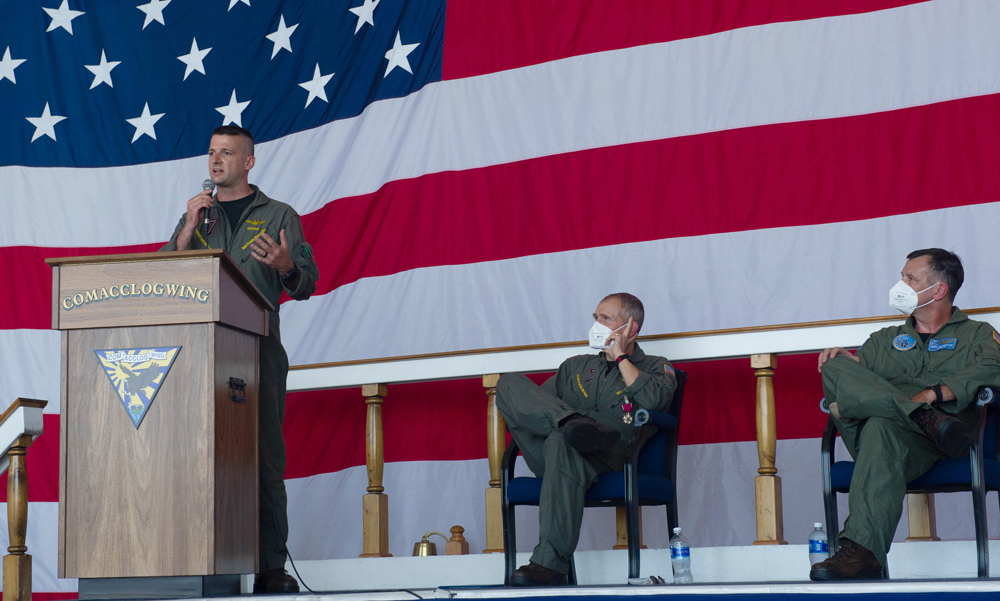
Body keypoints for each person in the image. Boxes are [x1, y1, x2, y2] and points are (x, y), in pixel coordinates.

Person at [160, 125, 319, 594]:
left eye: (226, 153)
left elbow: (306, 283)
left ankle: (271, 566)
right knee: (198, 455)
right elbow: (162, 277)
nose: (215, 160)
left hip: (257, 351)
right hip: (199, 354)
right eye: (212, 152)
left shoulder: (279, 215)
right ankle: (199, 561)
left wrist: (286, 267)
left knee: (264, 457)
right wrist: (186, 231)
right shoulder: (198, 216)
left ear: (248, 162)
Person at [812, 249, 1000, 581]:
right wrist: (853, 371)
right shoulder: (884, 339)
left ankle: (862, 553)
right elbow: (850, 385)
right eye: (902, 277)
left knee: (881, 425)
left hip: (940, 442)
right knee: (835, 364)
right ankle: (918, 416)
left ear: (939, 290)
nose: (900, 285)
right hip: (905, 433)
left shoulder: (977, 334)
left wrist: (934, 393)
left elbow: (992, 368)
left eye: (910, 278)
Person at [496, 293, 677, 586]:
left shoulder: (656, 366)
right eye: (596, 318)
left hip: (607, 455)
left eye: (606, 318)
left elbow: (654, 400)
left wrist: (621, 357)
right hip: (551, 452)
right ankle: (571, 423)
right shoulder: (575, 366)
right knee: (508, 383)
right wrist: (561, 420)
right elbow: (532, 404)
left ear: (631, 327)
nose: (597, 325)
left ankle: (549, 565)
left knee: (561, 441)